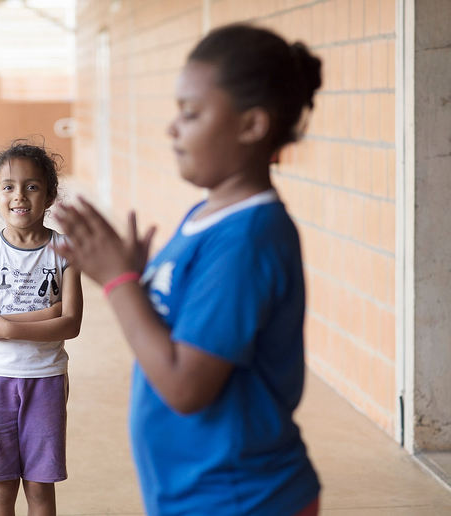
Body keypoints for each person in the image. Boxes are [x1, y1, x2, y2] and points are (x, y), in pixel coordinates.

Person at [54, 25, 322, 516]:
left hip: (241, 497)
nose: (172, 128)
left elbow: (185, 386)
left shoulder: (247, 239)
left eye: (191, 113)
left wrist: (120, 284)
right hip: (200, 493)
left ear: (251, 125)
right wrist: (136, 278)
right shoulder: (209, 214)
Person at [0, 141, 83, 516]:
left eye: (32, 186)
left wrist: (8, 325)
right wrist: (49, 312)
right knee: (0, 487)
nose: (20, 196)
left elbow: (72, 322)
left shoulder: (65, 250)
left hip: (46, 379)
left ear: (49, 195)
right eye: (9, 187)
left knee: (39, 486)